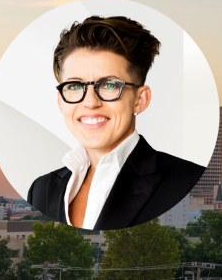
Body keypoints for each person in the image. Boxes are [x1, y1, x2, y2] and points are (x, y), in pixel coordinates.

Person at [27, 16, 206, 230]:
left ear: (140, 100)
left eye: (109, 85)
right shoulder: (41, 189)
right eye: (75, 86)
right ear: (61, 101)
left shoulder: (186, 181)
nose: (91, 102)